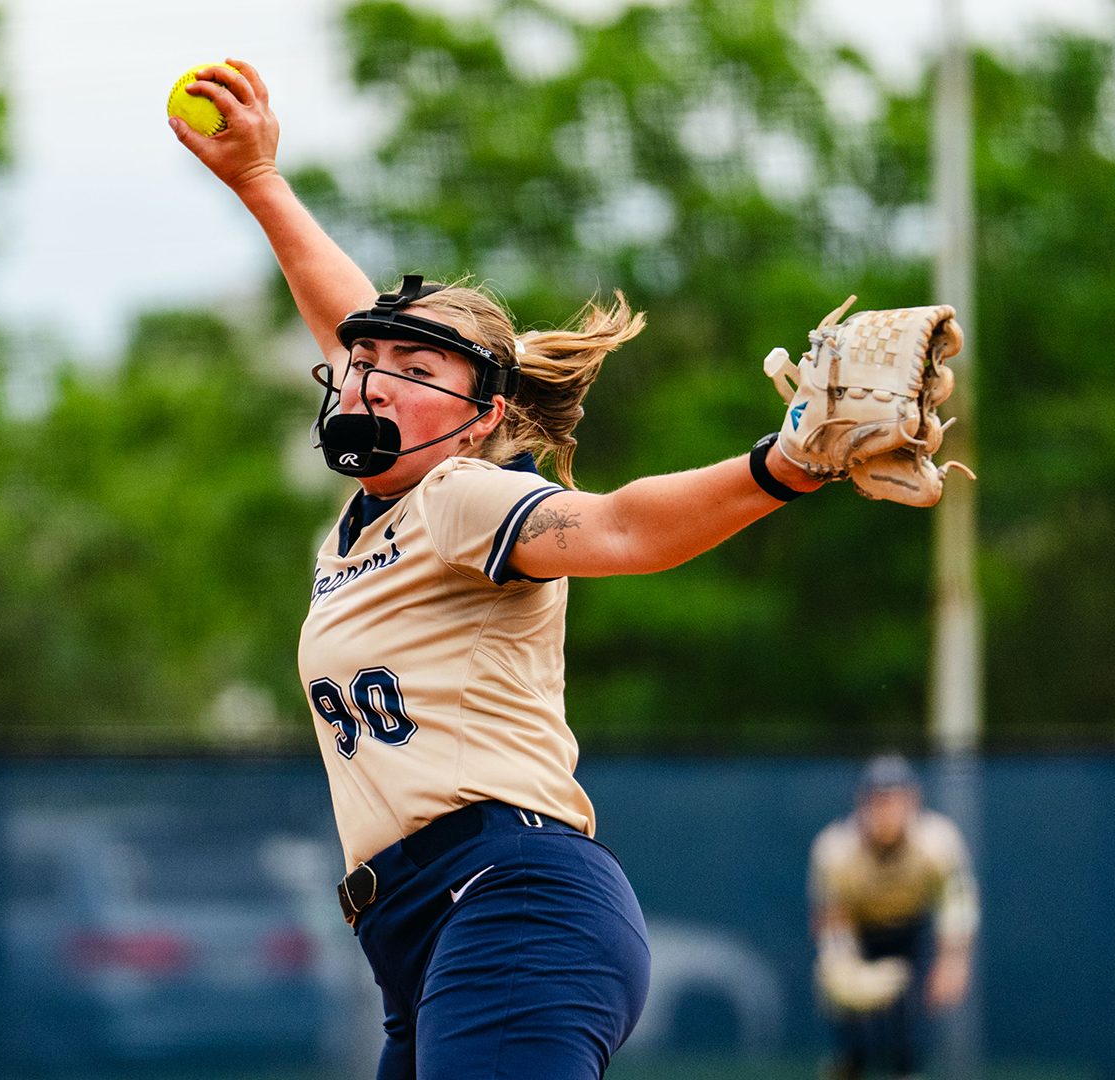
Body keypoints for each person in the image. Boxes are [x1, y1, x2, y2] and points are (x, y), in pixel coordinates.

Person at [169, 61, 828, 1080]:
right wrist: (260, 181)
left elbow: (618, 531)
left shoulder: (460, 497)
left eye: (418, 371)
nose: (371, 376)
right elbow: (369, 333)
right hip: (424, 936)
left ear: (481, 424)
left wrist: (782, 466)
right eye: (361, 361)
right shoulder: (380, 506)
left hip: (510, 901)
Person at [808, 755, 980, 1080]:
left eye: (894, 800)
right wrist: (840, 963)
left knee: (905, 1037)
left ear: (913, 800)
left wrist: (953, 959)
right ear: (862, 803)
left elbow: (956, 902)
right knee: (855, 1043)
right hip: (858, 935)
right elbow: (831, 915)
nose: (886, 811)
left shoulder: (938, 841)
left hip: (909, 933)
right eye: (878, 800)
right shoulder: (835, 849)